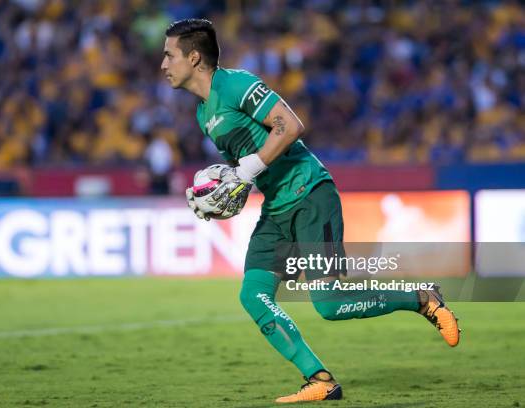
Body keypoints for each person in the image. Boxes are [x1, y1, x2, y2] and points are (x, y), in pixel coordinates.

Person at [160, 18, 460, 403]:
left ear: (194, 56)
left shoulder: (235, 85)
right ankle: (319, 379)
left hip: (310, 194)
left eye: (169, 55)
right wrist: (232, 190)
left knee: (330, 305)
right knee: (253, 295)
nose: (163, 65)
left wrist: (247, 170)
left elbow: (290, 125)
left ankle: (422, 298)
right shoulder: (204, 115)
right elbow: (249, 170)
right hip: (277, 207)